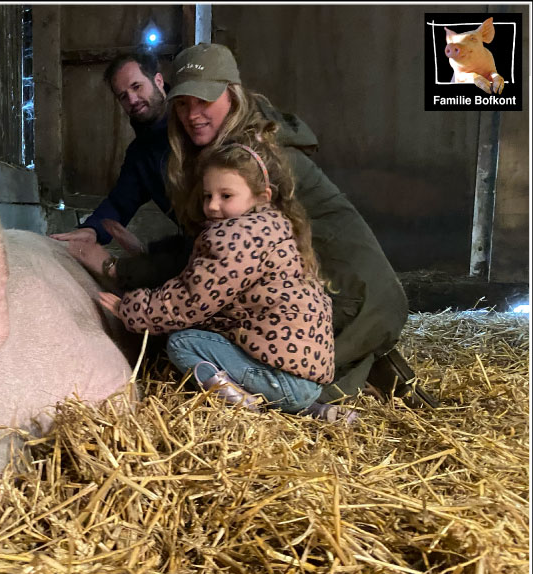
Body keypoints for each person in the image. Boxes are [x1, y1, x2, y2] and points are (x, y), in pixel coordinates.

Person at [55, 43, 438, 408]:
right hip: (330, 291)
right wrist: (111, 240)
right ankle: (363, 364)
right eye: (185, 103)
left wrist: (119, 271)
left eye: (205, 100)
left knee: (194, 343)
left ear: (233, 95)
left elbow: (210, 265)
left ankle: (352, 369)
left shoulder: (248, 163)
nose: (193, 114)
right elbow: (197, 241)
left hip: (352, 297)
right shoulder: (207, 151)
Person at [98, 135, 355, 422]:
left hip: (283, 377)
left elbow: (190, 300)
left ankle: (246, 410)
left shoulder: (236, 237)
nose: (212, 206)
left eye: (226, 196)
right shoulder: (275, 228)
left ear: (262, 196)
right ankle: (308, 410)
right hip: (304, 378)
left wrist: (134, 309)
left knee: (182, 343)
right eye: (208, 196)